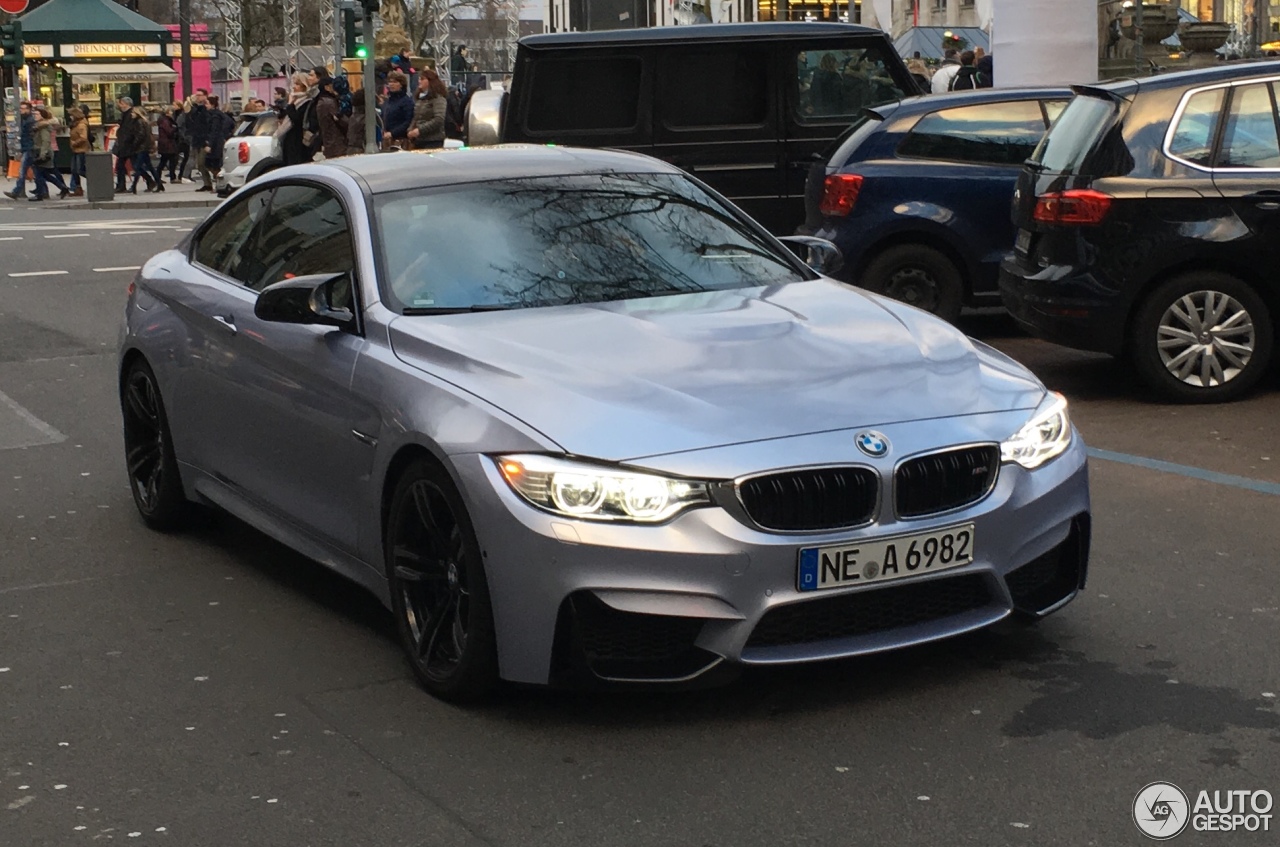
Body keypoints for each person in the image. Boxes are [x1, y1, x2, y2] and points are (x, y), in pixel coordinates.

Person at [113, 97, 152, 193]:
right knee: (122, 165)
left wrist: (130, 141)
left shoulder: (131, 115)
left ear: (127, 104)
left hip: (129, 144)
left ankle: (150, 181)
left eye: (121, 103)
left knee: (135, 165)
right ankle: (121, 185)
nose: (120, 105)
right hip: (125, 144)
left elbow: (132, 131)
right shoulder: (125, 114)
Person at [407, 67, 447, 150]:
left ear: (430, 81)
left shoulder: (438, 99)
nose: (419, 81)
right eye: (419, 79)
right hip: (419, 140)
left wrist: (420, 130)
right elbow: (416, 117)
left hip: (433, 141)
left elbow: (439, 119)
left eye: (422, 79)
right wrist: (410, 130)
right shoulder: (420, 99)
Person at [185, 88, 215, 191]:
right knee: (199, 164)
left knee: (204, 163)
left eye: (199, 95)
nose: (197, 97)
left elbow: (210, 124)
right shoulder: (196, 109)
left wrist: (209, 141)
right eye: (196, 95)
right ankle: (207, 183)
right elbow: (190, 120)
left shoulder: (207, 108)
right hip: (197, 139)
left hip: (205, 140)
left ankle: (212, 182)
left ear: (205, 96)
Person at [314, 72, 349, 159]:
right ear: (327, 87)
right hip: (337, 143)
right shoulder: (330, 103)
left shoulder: (321, 101)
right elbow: (343, 121)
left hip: (329, 142)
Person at [382, 70, 414, 149]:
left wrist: (392, 133)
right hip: (387, 140)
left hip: (401, 140)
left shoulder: (407, 101)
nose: (391, 84)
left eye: (395, 82)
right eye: (390, 82)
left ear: (401, 84)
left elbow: (408, 122)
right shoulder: (388, 101)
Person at [67, 107, 89, 196]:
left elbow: (83, 137)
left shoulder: (81, 125)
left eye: (71, 115)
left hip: (81, 150)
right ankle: (77, 188)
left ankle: (95, 180)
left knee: (80, 170)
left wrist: (74, 143)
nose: (70, 117)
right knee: (74, 170)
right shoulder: (75, 124)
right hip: (76, 150)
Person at [157, 105, 180, 185]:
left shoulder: (166, 120)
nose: (172, 113)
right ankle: (172, 177)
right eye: (170, 111)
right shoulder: (165, 121)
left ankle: (158, 177)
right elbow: (169, 131)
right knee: (170, 160)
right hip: (167, 144)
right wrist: (174, 128)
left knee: (164, 161)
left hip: (166, 144)